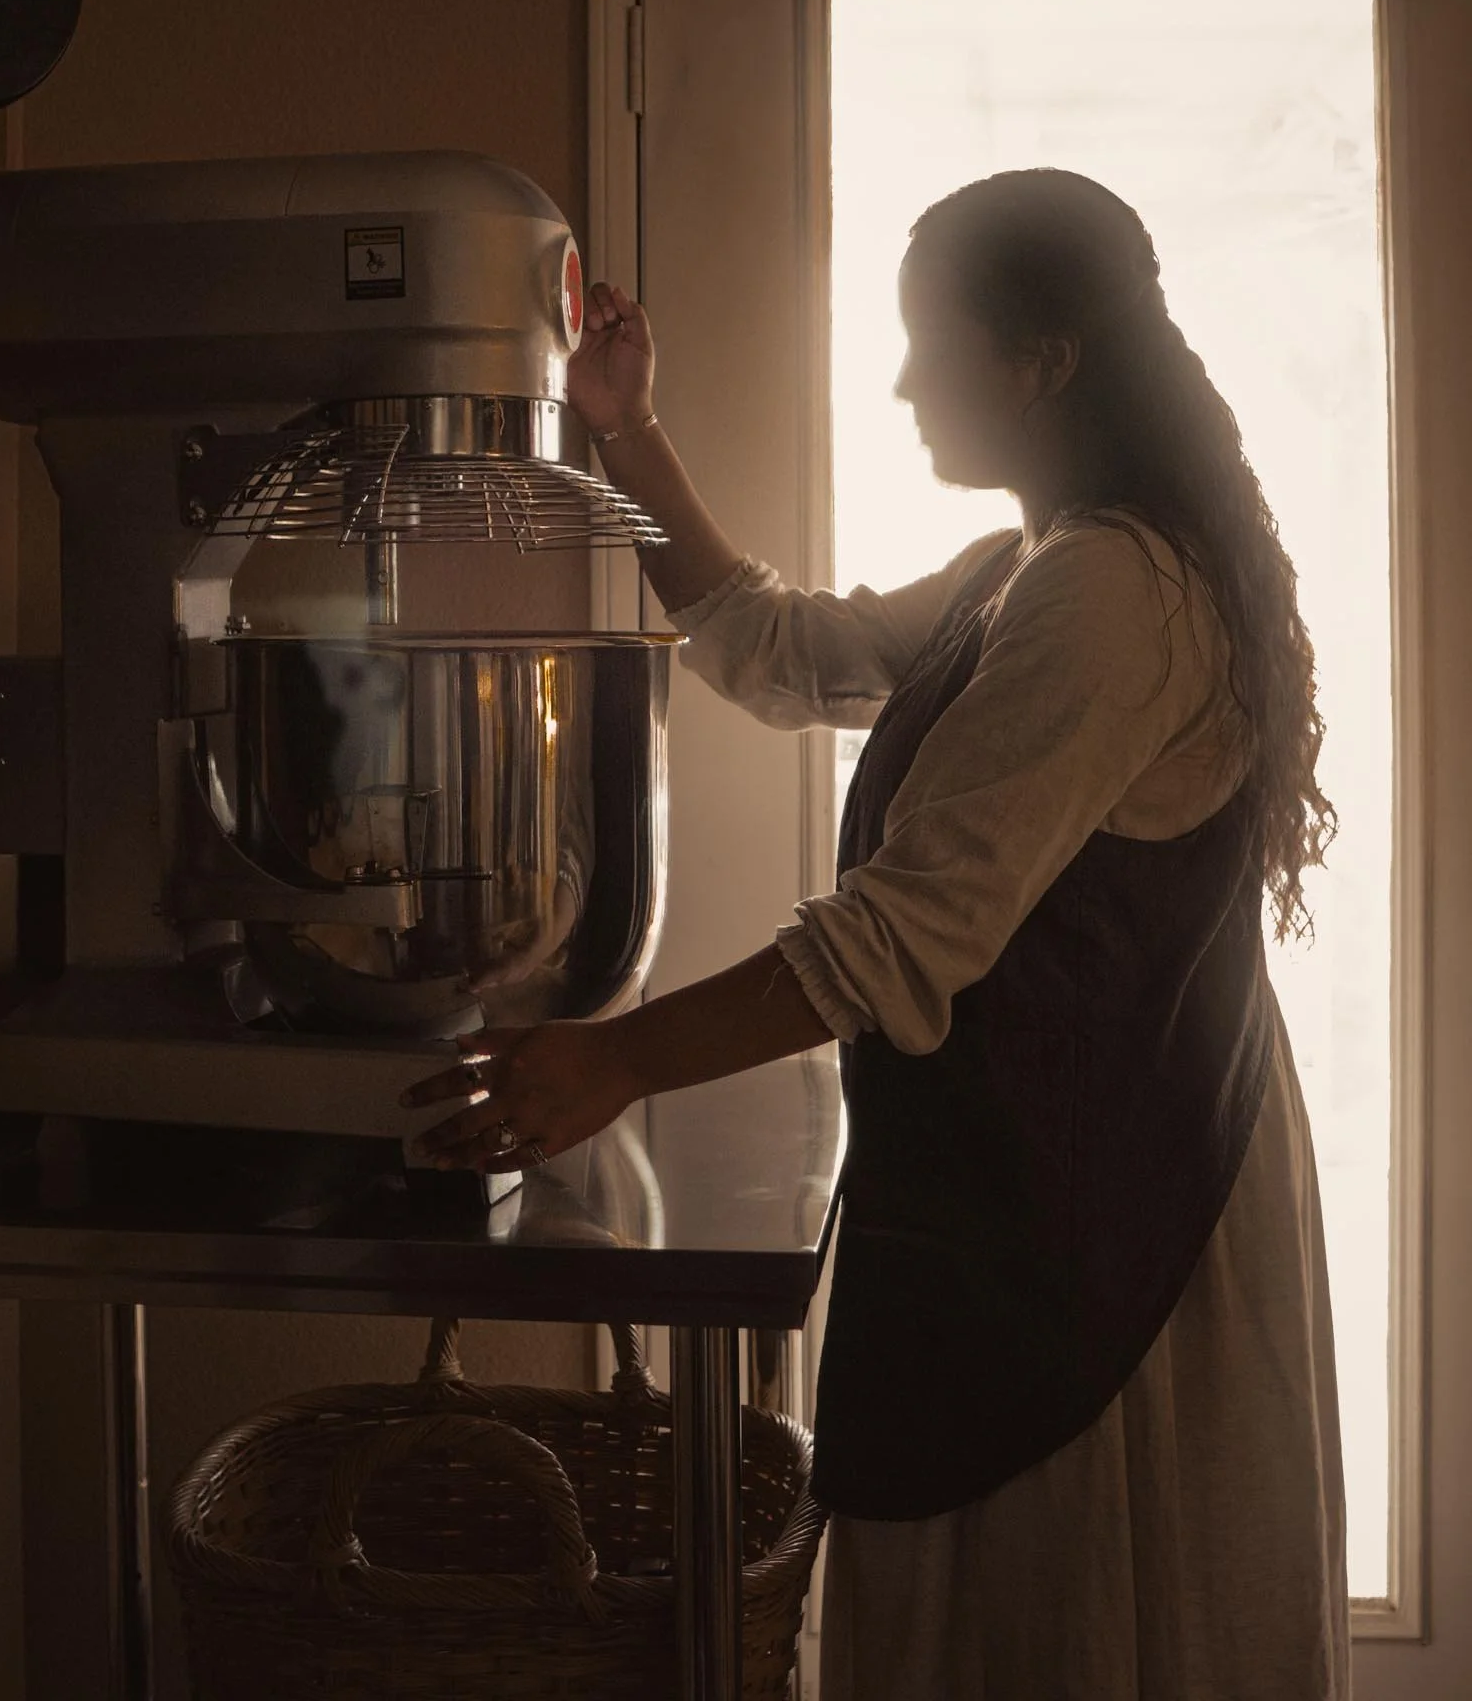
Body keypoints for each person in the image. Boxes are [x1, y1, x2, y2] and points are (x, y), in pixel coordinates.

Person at [401, 167, 1349, 1699]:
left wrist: (616, 1058)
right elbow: (783, 649)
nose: (903, 380)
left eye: (930, 341)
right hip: (1041, 1174)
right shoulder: (1029, 569)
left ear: (1040, 363)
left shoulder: (1111, 593)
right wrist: (625, 428)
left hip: (1108, 1208)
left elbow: (903, 939)